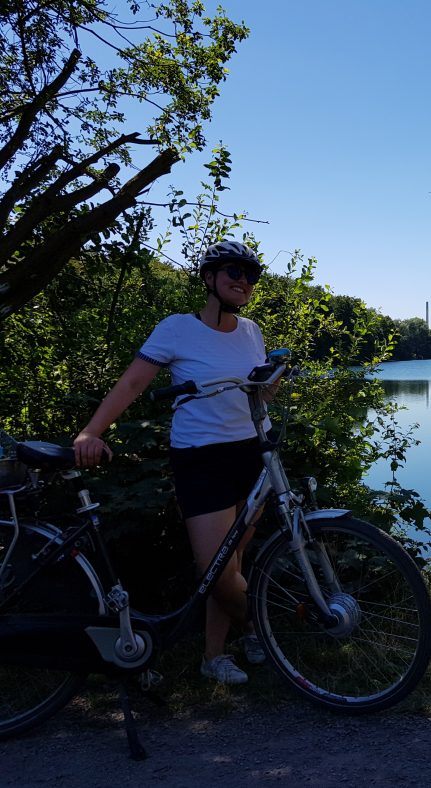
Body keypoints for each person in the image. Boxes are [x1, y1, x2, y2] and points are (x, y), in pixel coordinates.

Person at [74, 240, 270, 685]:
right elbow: (132, 384)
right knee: (217, 570)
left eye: (250, 275)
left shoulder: (251, 331)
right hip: (201, 459)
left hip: (250, 452)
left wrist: (269, 385)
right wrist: (92, 431)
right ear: (209, 278)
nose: (242, 281)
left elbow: (256, 394)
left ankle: (214, 656)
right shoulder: (177, 328)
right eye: (233, 272)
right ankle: (260, 626)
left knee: (236, 561)